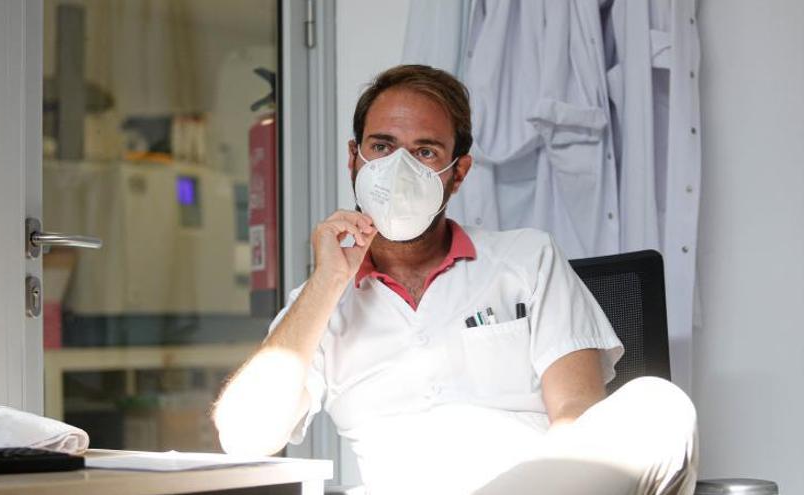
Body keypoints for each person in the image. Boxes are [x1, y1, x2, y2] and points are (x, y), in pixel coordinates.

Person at [213, 65, 697, 495]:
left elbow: (577, 415)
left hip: (539, 484)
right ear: (354, 159)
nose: (398, 168)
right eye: (381, 147)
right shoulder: (319, 303)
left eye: (424, 151)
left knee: (659, 406)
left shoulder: (528, 259)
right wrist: (326, 282)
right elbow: (244, 437)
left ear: (458, 172)